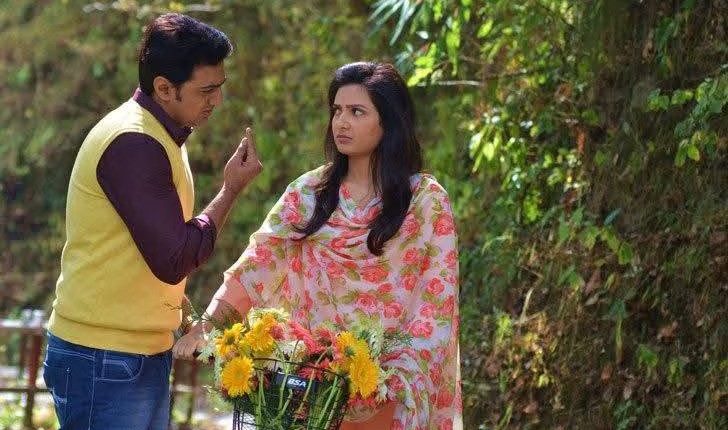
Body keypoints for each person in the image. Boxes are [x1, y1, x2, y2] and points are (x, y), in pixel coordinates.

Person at [175, 61, 462, 430]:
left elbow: (436, 307)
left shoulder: (425, 202)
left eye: (357, 112)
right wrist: (207, 326)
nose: (341, 122)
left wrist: (390, 380)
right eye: (337, 110)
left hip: (389, 395)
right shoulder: (308, 194)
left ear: (389, 122)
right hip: (314, 392)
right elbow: (255, 266)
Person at [43, 13, 263, 430]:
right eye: (206, 90)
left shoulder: (163, 134)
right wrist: (231, 190)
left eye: (220, 87)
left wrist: (180, 314)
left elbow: (140, 252)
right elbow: (174, 256)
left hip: (132, 353)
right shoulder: (134, 142)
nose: (217, 100)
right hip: (104, 357)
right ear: (164, 88)